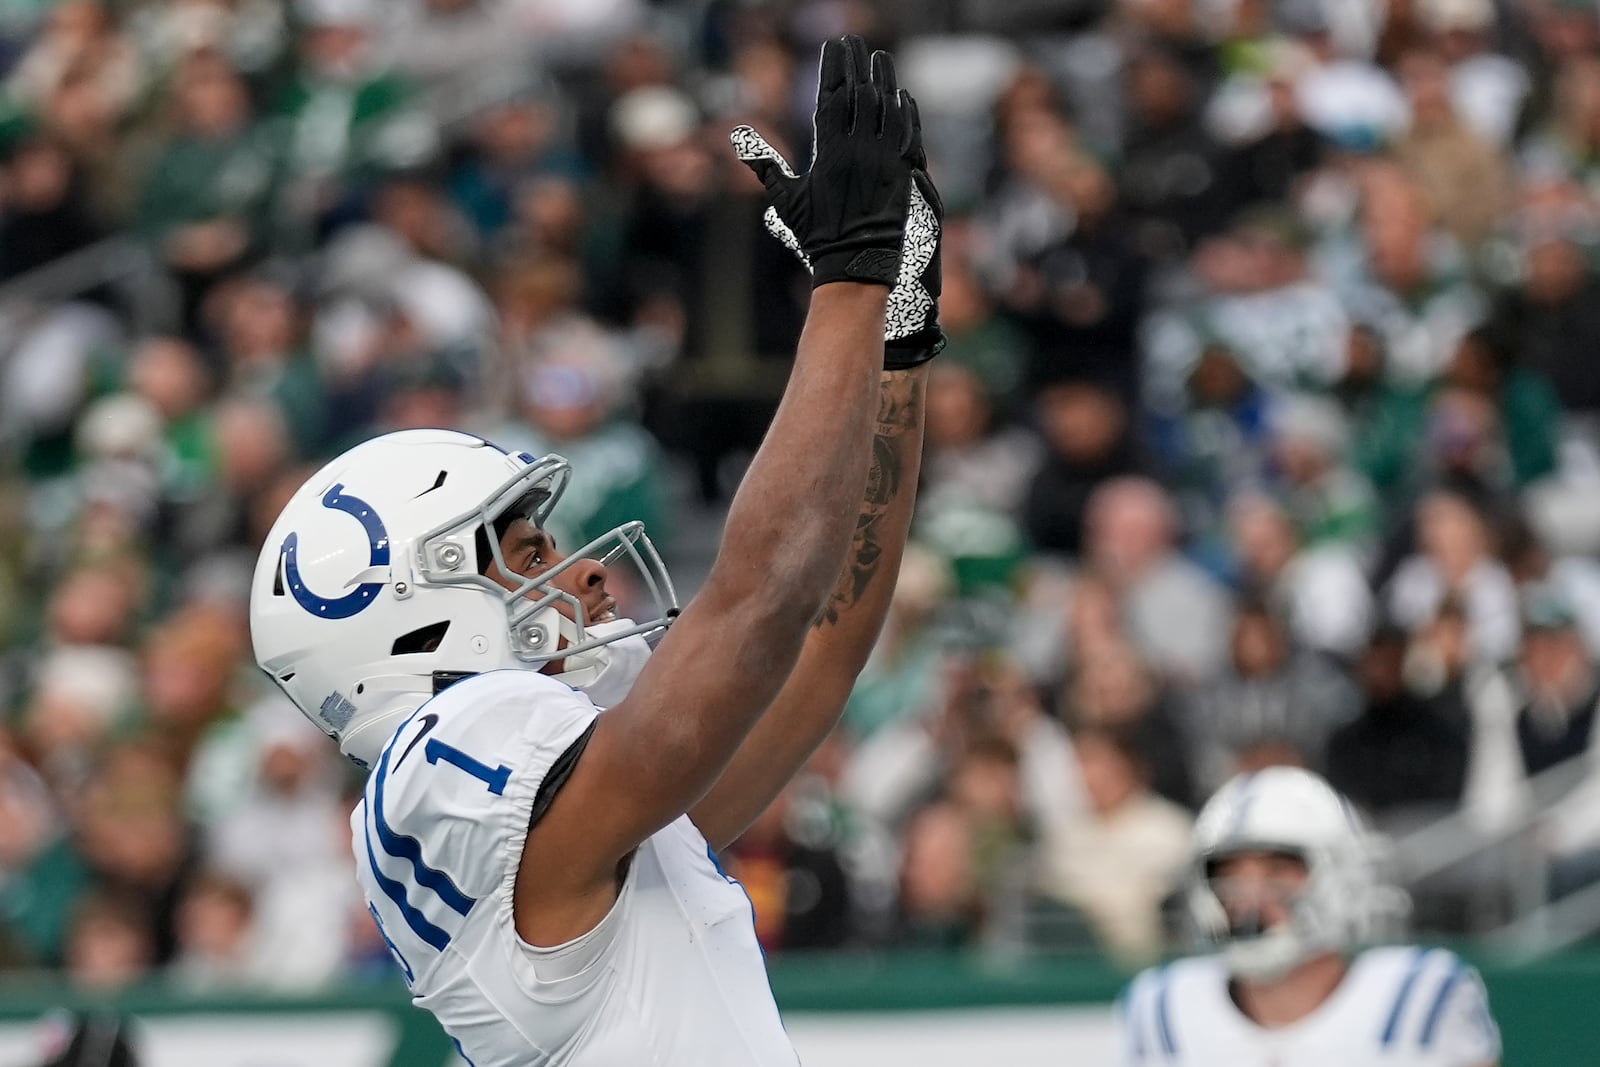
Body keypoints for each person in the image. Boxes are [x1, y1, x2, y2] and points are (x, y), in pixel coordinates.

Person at [247, 35, 943, 1066]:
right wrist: (844, 286)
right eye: (526, 547)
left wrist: (894, 333)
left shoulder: (572, 822)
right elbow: (762, 607)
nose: (579, 571)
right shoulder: (447, 760)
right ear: (413, 608)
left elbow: (822, 642)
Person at [1120, 767, 1501, 1066]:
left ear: (1344, 877)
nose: (1249, 896)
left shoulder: (1418, 998)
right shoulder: (1164, 1009)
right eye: (1229, 873)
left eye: (1278, 869)